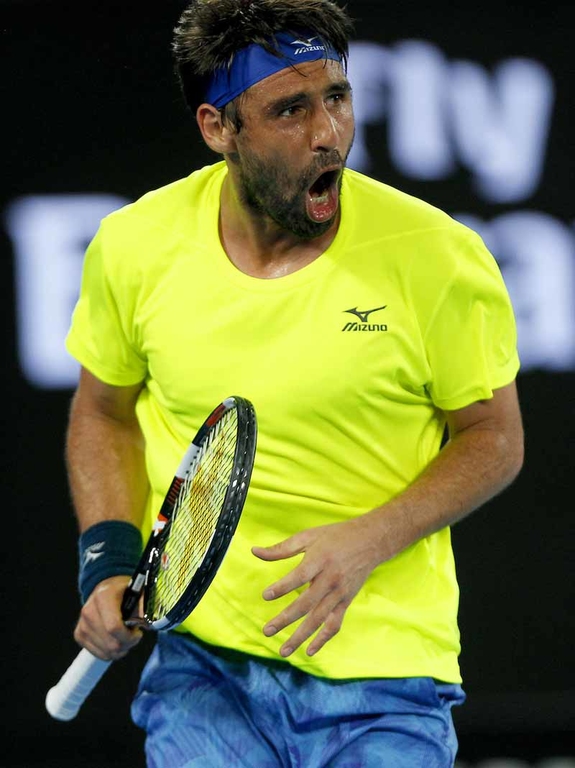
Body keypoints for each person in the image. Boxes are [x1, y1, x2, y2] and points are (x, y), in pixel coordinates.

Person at [65, 0, 524, 765]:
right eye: (289, 109)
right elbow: (103, 412)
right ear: (218, 127)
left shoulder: (439, 254)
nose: (327, 133)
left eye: (336, 97)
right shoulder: (135, 245)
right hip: (204, 671)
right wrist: (108, 560)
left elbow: (494, 437)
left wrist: (370, 539)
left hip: (385, 677)